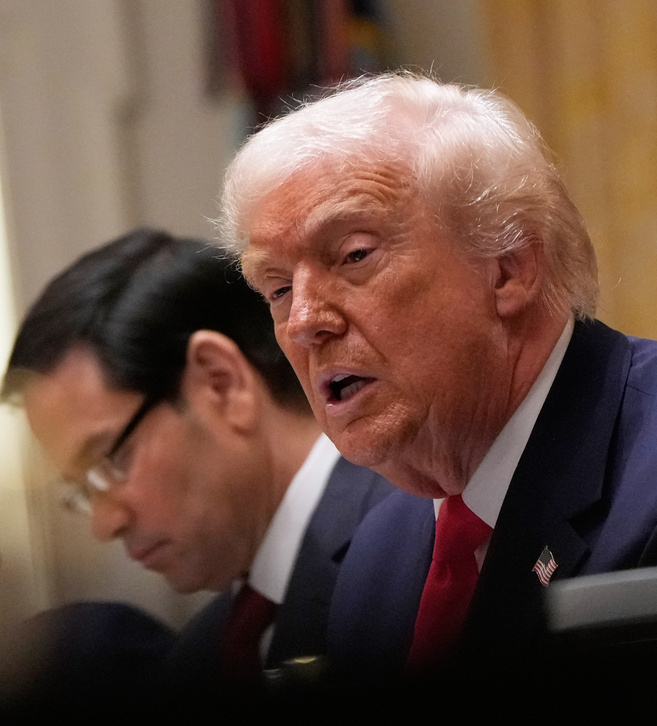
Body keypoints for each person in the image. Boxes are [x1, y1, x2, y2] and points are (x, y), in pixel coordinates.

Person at [218, 72, 657, 694]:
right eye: (276, 289)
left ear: (509, 269)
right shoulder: (378, 554)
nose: (304, 322)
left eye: (354, 256)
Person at [0, 228, 393, 700]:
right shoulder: (199, 657)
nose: (105, 525)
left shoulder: (420, 543)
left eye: (110, 462)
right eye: (82, 490)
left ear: (220, 382)